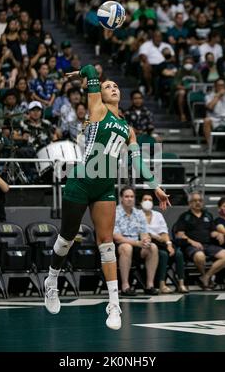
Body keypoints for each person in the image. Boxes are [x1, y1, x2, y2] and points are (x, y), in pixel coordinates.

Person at [44, 63, 171, 330]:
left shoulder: (129, 129)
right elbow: (90, 70)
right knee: (66, 237)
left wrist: (154, 185)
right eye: (107, 86)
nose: (113, 88)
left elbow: (138, 162)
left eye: (115, 86)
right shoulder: (97, 109)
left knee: (107, 244)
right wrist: (80, 74)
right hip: (80, 181)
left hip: (104, 187)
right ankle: (52, 280)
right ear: (99, 94)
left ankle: (114, 304)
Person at [174, 191, 225, 290]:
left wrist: (219, 234)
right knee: (200, 256)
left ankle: (205, 277)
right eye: (195, 201)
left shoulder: (208, 215)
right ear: (190, 203)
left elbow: (212, 232)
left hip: (208, 245)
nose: (198, 203)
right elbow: (179, 234)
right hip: (191, 246)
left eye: (200, 200)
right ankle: (204, 277)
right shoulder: (185, 217)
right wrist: (193, 242)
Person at [113, 187, 159, 297]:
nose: (129, 199)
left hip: (137, 245)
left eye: (132, 196)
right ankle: (125, 286)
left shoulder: (139, 213)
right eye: (126, 196)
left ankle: (149, 285)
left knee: (152, 247)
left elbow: (144, 233)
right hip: (119, 246)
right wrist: (137, 243)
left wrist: (146, 240)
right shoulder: (115, 212)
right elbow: (117, 237)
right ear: (121, 198)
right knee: (126, 247)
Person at [140, 193, 188, 293]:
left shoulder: (158, 215)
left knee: (178, 253)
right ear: (141, 202)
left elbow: (164, 232)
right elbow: (142, 233)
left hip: (162, 242)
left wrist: (169, 244)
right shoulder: (137, 215)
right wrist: (154, 236)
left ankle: (181, 284)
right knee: (163, 254)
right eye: (145, 199)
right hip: (148, 244)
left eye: (150, 199)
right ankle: (162, 285)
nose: (148, 201)